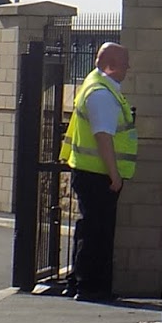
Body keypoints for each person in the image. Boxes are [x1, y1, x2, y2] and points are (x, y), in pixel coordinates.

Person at [59, 42, 136, 302]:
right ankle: (90, 287)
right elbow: (103, 136)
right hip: (98, 174)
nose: (128, 67)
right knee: (97, 233)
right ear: (111, 64)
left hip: (91, 171)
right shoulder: (101, 93)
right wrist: (114, 174)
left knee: (90, 230)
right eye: (125, 62)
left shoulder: (97, 87)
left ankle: (80, 282)